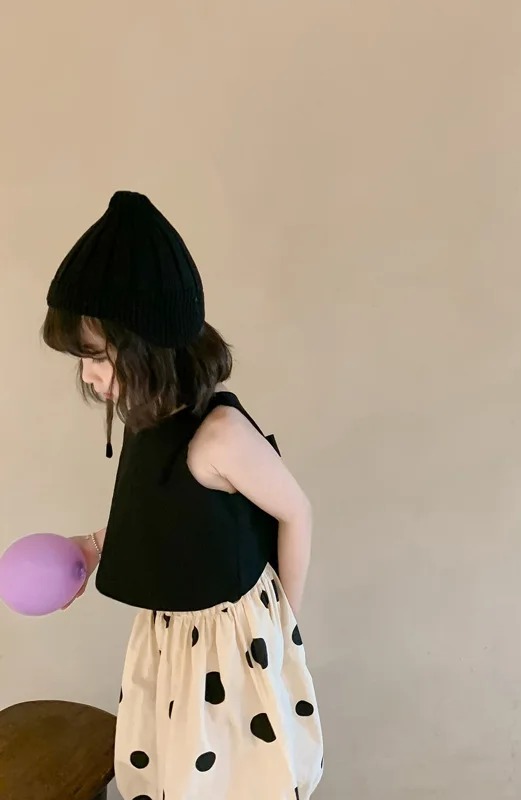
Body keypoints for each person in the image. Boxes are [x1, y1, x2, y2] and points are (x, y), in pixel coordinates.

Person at [41, 190, 324, 800]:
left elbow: (296, 512)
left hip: (231, 647)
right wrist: (92, 546)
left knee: (234, 781)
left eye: (96, 356)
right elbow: (163, 516)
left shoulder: (219, 437)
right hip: (171, 643)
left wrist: (284, 632)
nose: (88, 375)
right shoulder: (149, 416)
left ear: (148, 343)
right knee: (175, 775)